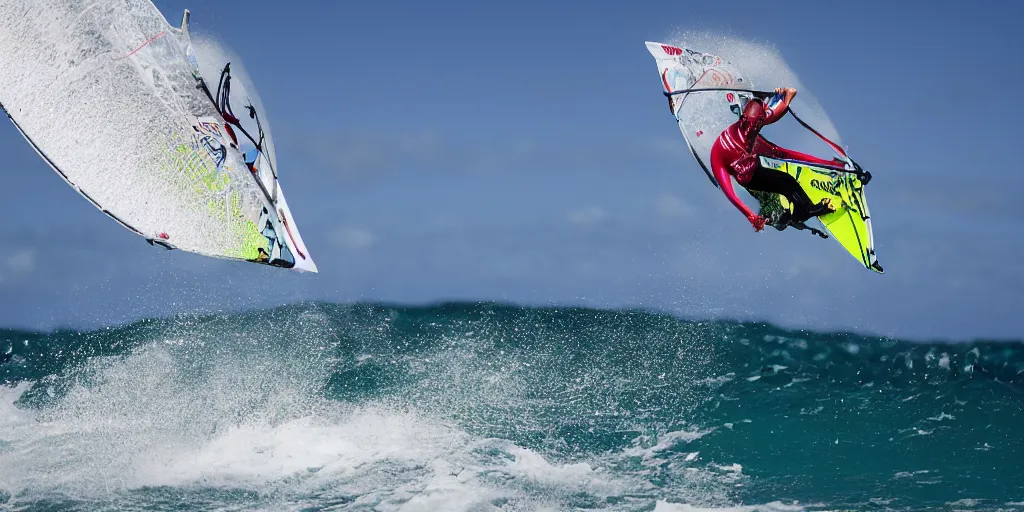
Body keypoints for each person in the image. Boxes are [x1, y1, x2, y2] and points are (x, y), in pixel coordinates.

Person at [710, 87, 841, 231]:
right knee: (776, 175)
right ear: (743, 119)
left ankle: (797, 214)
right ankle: (796, 213)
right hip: (747, 177)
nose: (754, 129)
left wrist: (828, 164)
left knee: (788, 181)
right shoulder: (722, 148)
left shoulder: (756, 125)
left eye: (759, 124)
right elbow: (728, 191)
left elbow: (783, 151)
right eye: (754, 125)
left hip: (754, 165)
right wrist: (750, 216)